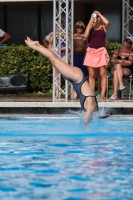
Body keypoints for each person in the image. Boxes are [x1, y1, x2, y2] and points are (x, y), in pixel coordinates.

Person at [25, 37, 98, 124]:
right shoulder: (90, 105)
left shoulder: (92, 106)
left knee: (55, 60)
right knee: (54, 60)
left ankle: (37, 45)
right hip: (77, 77)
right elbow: (86, 121)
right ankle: (34, 46)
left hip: (76, 79)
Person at [84, 8, 110, 102]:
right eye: (96, 16)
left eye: (98, 16)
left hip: (101, 51)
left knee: (103, 74)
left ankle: (102, 96)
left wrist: (99, 13)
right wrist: (91, 19)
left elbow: (107, 22)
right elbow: (85, 36)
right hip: (91, 51)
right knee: (91, 75)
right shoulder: (91, 26)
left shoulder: (104, 27)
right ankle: (91, 95)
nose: (97, 17)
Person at [48, 20, 70, 98]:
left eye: (59, 24)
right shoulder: (52, 34)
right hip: (56, 55)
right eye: (56, 24)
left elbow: (69, 47)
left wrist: (60, 49)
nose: (58, 26)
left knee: (65, 74)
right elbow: (50, 45)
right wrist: (51, 51)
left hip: (63, 55)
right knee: (56, 75)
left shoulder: (67, 34)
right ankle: (57, 94)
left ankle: (68, 91)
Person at [72, 21, 88, 99]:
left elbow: (87, 48)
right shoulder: (73, 36)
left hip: (82, 57)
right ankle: (74, 91)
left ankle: (82, 91)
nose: (79, 29)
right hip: (75, 56)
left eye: (81, 27)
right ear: (76, 28)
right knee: (74, 74)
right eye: (78, 27)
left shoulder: (85, 37)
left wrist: (85, 58)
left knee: (83, 74)